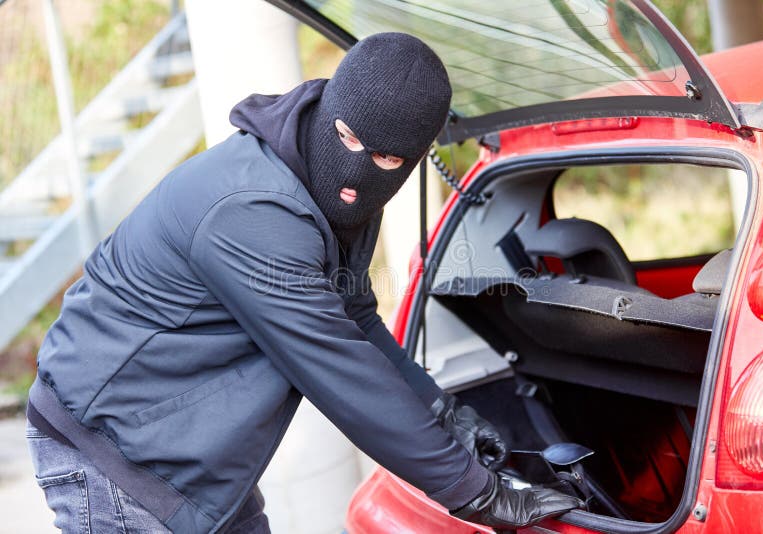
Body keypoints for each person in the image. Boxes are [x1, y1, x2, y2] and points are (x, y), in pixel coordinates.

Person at [25, 32, 583, 533]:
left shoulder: (340, 201)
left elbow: (356, 322)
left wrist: (445, 415)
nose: (360, 170)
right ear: (330, 113)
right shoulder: (251, 208)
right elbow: (335, 364)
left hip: (188, 454)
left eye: (388, 159)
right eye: (349, 137)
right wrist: (475, 493)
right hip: (112, 448)